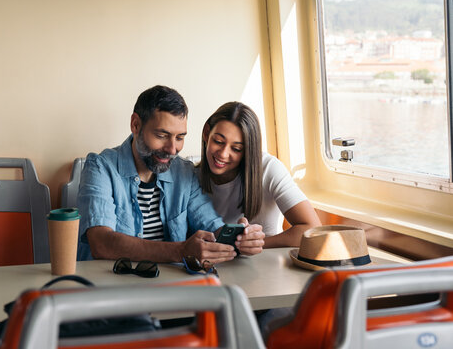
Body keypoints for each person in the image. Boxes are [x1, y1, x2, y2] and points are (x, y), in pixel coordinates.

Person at [77, 86, 265, 264]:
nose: (172, 149)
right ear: (135, 125)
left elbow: (212, 226)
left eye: (180, 137)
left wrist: (240, 238)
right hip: (112, 287)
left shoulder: (184, 172)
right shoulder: (100, 167)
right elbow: (101, 242)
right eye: (162, 135)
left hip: (171, 286)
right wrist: (180, 251)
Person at [198, 101, 321, 249]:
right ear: (206, 133)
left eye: (236, 149)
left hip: (266, 261)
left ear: (248, 150)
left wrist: (257, 244)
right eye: (218, 141)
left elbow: (313, 230)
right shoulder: (191, 176)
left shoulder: (269, 168)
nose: (223, 154)